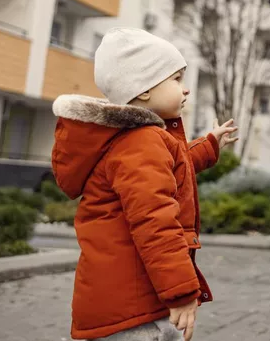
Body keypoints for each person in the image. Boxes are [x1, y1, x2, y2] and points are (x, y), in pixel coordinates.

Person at [51, 28, 239, 341]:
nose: (186, 90)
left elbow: (171, 169)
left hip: (123, 301)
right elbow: (155, 220)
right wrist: (181, 292)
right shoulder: (141, 141)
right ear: (145, 89)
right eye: (176, 79)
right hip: (136, 310)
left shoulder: (130, 140)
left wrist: (209, 145)